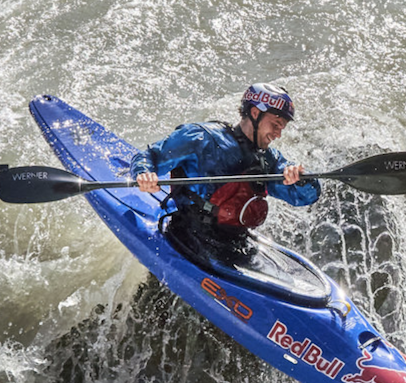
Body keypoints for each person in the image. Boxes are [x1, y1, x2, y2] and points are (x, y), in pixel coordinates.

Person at [130, 83, 321, 263]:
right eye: (276, 124)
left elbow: (304, 197)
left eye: (282, 128)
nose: (278, 134)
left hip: (235, 243)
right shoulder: (201, 137)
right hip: (187, 237)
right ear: (255, 113)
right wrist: (145, 173)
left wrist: (301, 178)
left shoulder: (269, 159)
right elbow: (148, 156)